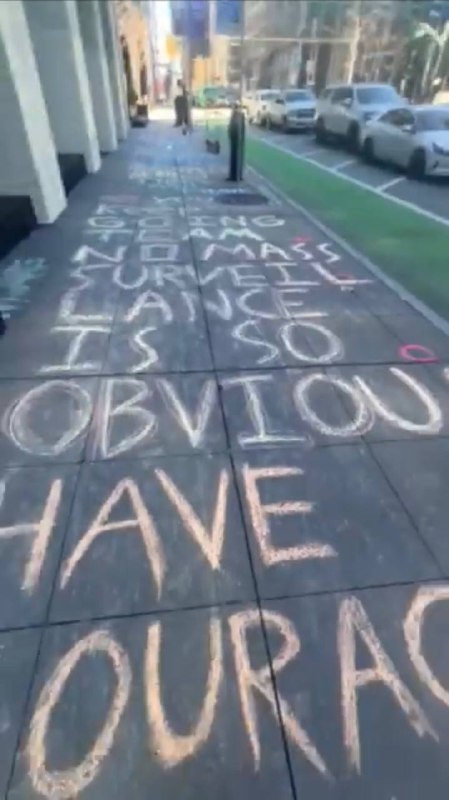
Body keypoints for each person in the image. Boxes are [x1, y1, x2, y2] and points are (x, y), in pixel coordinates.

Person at [227, 101, 245, 181]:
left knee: (237, 158)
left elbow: (238, 128)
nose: (233, 108)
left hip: (237, 140)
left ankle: (236, 176)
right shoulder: (235, 114)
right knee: (234, 158)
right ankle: (234, 175)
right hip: (234, 139)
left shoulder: (238, 115)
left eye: (235, 106)